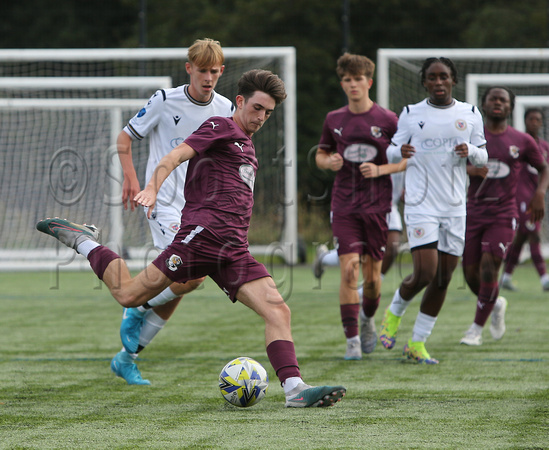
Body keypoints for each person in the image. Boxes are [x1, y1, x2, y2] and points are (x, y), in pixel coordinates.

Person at [37, 69, 346, 408]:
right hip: (200, 239)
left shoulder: (248, 145)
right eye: (257, 108)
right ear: (240, 101)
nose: (261, 117)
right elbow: (174, 157)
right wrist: (152, 187)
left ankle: (295, 389)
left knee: (278, 310)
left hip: (233, 250)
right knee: (128, 294)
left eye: (268, 113)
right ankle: (85, 241)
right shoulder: (220, 126)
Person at [111, 38, 235, 385]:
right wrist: (132, 182)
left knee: (181, 281)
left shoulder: (225, 109)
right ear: (188, 69)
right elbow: (124, 140)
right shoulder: (165, 101)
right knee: (189, 276)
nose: (207, 77)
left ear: (221, 71)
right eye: (201, 71)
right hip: (162, 202)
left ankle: (127, 357)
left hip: (201, 209)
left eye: (214, 71)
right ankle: (136, 307)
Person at [381, 57, 488, 364]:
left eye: (444, 77)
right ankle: (394, 312)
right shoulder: (412, 114)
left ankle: (417, 343)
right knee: (425, 272)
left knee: (443, 277)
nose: (438, 82)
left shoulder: (469, 113)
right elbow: (391, 148)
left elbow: (483, 157)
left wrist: (472, 153)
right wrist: (398, 151)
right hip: (420, 203)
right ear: (424, 82)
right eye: (432, 77)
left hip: (455, 206)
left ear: (453, 80)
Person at [315, 53, 398, 360]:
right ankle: (351, 343)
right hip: (345, 204)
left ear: (369, 82)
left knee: (373, 280)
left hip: (377, 207)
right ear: (342, 84)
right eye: (347, 80)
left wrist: (380, 170)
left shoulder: (388, 120)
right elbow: (320, 155)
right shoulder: (334, 119)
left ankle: (367, 319)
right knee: (349, 271)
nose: (353, 84)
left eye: (358, 79)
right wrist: (329, 161)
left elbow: (405, 160)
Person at [460, 88, 549, 346]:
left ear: (510, 108)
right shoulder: (471, 137)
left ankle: (475, 329)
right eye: (493, 99)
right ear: (483, 105)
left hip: (504, 213)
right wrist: (471, 170)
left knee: (490, 268)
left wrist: (540, 193)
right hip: (472, 211)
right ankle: (496, 303)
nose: (498, 103)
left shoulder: (521, 140)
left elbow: (544, 169)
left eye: (503, 100)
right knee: (470, 275)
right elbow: (448, 164)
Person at [313, 170, 405, 281]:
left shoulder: (409, 154)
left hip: (389, 206)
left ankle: (371, 285)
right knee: (356, 253)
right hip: (365, 204)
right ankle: (324, 258)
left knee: (392, 247)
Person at [500, 107, 549, 292]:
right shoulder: (518, 144)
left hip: (536, 198)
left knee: (521, 239)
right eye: (531, 119)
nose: (534, 123)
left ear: (541, 123)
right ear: (525, 121)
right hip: (520, 198)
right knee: (534, 234)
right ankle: (545, 279)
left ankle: (505, 277)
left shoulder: (544, 147)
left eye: (537, 119)